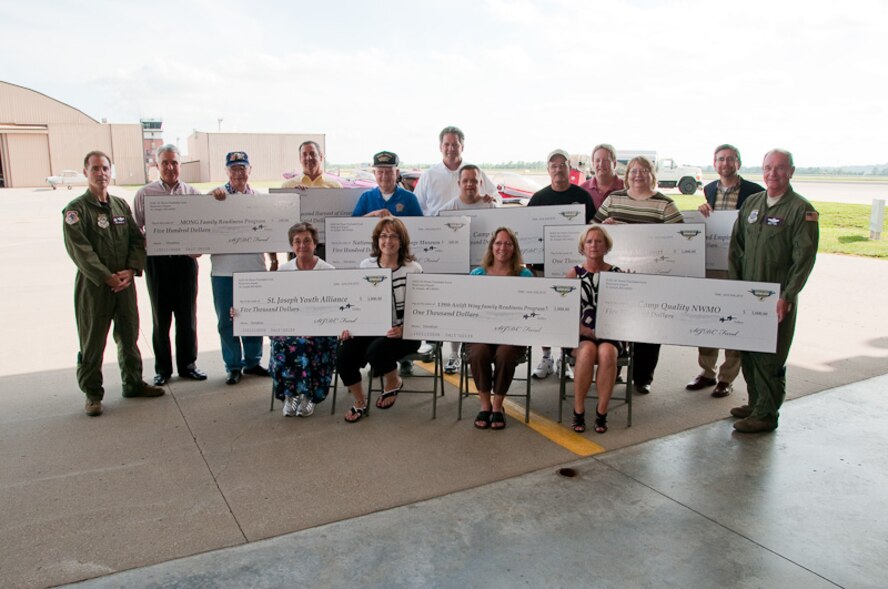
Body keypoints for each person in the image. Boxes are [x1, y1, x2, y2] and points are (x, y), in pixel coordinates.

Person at [63, 151, 164, 416]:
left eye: (105, 168)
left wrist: (131, 270)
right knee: (93, 341)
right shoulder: (76, 211)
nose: (101, 173)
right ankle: (93, 394)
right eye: (95, 168)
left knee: (129, 336)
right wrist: (107, 276)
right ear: (86, 172)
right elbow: (81, 251)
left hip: (125, 285)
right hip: (95, 288)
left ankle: (132, 383)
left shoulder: (120, 206)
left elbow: (136, 240)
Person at [728, 149, 818, 433]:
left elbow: (804, 259)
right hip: (748, 293)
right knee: (748, 351)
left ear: (791, 171)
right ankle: (756, 403)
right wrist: (734, 289)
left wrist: (788, 295)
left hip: (777, 297)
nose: (773, 173)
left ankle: (767, 414)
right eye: (768, 167)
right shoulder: (753, 204)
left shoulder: (801, 210)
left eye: (780, 168)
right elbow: (736, 247)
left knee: (771, 355)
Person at [594, 155, 683, 395]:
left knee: (649, 327)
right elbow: (592, 229)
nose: (638, 175)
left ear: (651, 175)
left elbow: (679, 238)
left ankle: (643, 377)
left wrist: (629, 229)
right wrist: (606, 225)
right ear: (626, 174)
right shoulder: (614, 199)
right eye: (633, 170)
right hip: (616, 277)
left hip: (651, 278)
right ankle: (614, 371)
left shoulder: (664, 204)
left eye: (643, 170)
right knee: (616, 324)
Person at [686, 144, 765, 398]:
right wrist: (702, 212)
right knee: (708, 317)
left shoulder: (755, 192)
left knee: (733, 319)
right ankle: (706, 372)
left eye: (731, 159)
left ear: (738, 163)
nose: (725, 163)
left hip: (739, 265)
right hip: (712, 264)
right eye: (721, 159)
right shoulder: (709, 189)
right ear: (714, 163)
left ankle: (727, 378)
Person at [133, 144, 207, 386]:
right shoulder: (145, 194)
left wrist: (198, 247)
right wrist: (151, 241)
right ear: (157, 165)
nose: (170, 167)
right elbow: (136, 232)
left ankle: (188, 365)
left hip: (185, 263)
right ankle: (163, 369)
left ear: (180, 165)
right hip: (158, 264)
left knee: (187, 317)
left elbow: (202, 230)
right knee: (160, 319)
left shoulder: (194, 195)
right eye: (164, 162)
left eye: (174, 162)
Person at [337, 218, 423, 423]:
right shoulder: (366, 265)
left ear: (402, 241)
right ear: (377, 240)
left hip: (405, 333)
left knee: (376, 351)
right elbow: (357, 301)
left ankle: (393, 382)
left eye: (394, 236)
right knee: (343, 354)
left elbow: (420, 308)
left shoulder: (413, 269)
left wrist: (404, 328)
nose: (388, 240)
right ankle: (359, 401)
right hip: (371, 329)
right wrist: (348, 326)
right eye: (383, 236)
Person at [527, 149, 597, 380]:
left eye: (563, 164)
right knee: (545, 312)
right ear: (548, 170)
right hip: (542, 268)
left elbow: (593, 228)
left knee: (569, 313)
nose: (558, 169)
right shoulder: (538, 198)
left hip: (574, 269)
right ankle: (546, 356)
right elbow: (528, 234)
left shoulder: (582, 197)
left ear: (570, 168)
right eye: (553, 165)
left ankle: (564, 357)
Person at [208, 151, 274, 385]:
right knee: (227, 321)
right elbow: (198, 223)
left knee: (253, 317)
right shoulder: (216, 197)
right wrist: (208, 200)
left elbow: (269, 231)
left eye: (242, 168)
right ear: (227, 171)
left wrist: (273, 259)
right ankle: (233, 364)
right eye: (233, 169)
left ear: (249, 170)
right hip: (224, 271)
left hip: (254, 268)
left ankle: (253, 362)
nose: (238, 173)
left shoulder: (258, 198)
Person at [467, 227, 534, 431]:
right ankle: (485, 405)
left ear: (514, 248)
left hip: (512, 333)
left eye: (507, 243)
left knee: (505, 354)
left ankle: (498, 406)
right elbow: (467, 304)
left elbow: (531, 307)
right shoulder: (477, 274)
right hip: (481, 332)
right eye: (498, 243)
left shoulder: (524, 275)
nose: (502, 247)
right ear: (491, 247)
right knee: (478, 353)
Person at [435, 163, 497, 374]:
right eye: (466, 180)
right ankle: (454, 353)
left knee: (482, 314)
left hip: (485, 271)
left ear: (481, 183)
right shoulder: (447, 210)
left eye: (474, 180)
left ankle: (476, 357)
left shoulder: (491, 207)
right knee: (457, 313)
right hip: (457, 271)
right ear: (459, 183)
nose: (470, 184)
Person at [272, 223, 338, 417]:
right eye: (297, 241)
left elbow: (334, 306)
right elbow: (273, 304)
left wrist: (315, 327)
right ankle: (290, 395)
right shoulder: (283, 270)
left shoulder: (329, 270)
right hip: (291, 326)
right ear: (292, 246)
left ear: (315, 244)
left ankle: (309, 395)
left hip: (321, 328)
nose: (302, 245)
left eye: (307, 240)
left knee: (306, 342)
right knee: (284, 342)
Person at [565, 226, 625, 434]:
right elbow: (564, 311)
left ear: (606, 246)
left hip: (610, 334)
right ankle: (579, 410)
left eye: (599, 241)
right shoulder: (574, 274)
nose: (594, 245)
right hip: (580, 334)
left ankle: (601, 412)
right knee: (588, 351)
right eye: (589, 241)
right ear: (583, 246)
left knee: (607, 353)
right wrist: (585, 329)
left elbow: (623, 310)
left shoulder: (617, 274)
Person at [414, 125, 499, 216]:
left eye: (455, 144)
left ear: (462, 147)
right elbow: (416, 206)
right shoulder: (428, 175)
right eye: (447, 144)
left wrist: (492, 200)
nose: (451, 148)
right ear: (440, 147)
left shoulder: (476, 173)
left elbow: (497, 198)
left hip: (473, 227)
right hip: (437, 227)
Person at [352, 151, 424, 217]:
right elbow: (354, 225)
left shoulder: (410, 198)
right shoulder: (366, 197)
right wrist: (373, 214)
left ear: (397, 173)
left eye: (389, 172)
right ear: (374, 173)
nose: (384, 176)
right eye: (380, 172)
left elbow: (419, 226)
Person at [580, 143, 625, 210]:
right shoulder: (582, 189)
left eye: (606, 160)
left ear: (614, 164)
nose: (601, 164)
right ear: (593, 164)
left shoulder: (626, 188)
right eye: (597, 160)